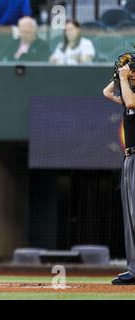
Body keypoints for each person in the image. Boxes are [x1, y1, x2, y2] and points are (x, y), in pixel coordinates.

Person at [103, 56, 135, 285]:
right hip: (130, 158)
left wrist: (125, 78)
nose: (129, 72)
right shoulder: (127, 90)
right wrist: (119, 76)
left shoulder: (131, 96)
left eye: (132, 69)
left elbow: (131, 102)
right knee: (130, 217)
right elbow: (107, 92)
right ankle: (134, 270)